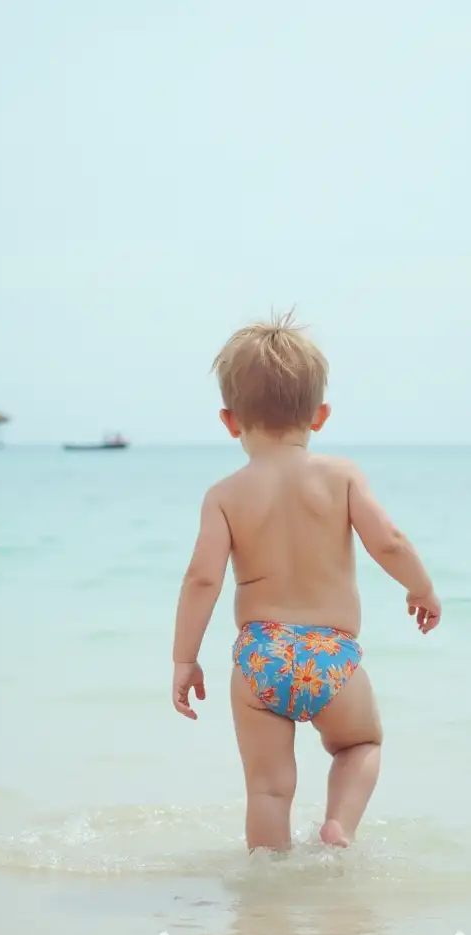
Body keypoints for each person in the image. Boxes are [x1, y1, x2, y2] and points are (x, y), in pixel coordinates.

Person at [170, 312, 440, 852]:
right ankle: (339, 825)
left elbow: (203, 578)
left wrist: (185, 658)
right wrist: (421, 589)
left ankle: (266, 893)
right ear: (320, 415)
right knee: (359, 744)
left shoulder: (224, 495)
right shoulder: (339, 476)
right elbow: (387, 540)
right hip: (331, 654)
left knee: (267, 791)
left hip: (261, 656)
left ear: (229, 421)